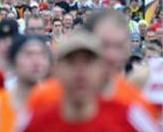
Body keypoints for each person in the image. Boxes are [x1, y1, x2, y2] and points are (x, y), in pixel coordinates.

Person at [15, 31, 159, 132]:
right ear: (56, 70)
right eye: (71, 62)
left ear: (101, 70)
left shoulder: (131, 117)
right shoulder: (32, 122)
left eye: (88, 61)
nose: (80, 71)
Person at [28, 10, 157, 116]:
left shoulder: (136, 105)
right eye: (104, 45)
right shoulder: (45, 98)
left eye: (119, 46)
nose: (111, 55)